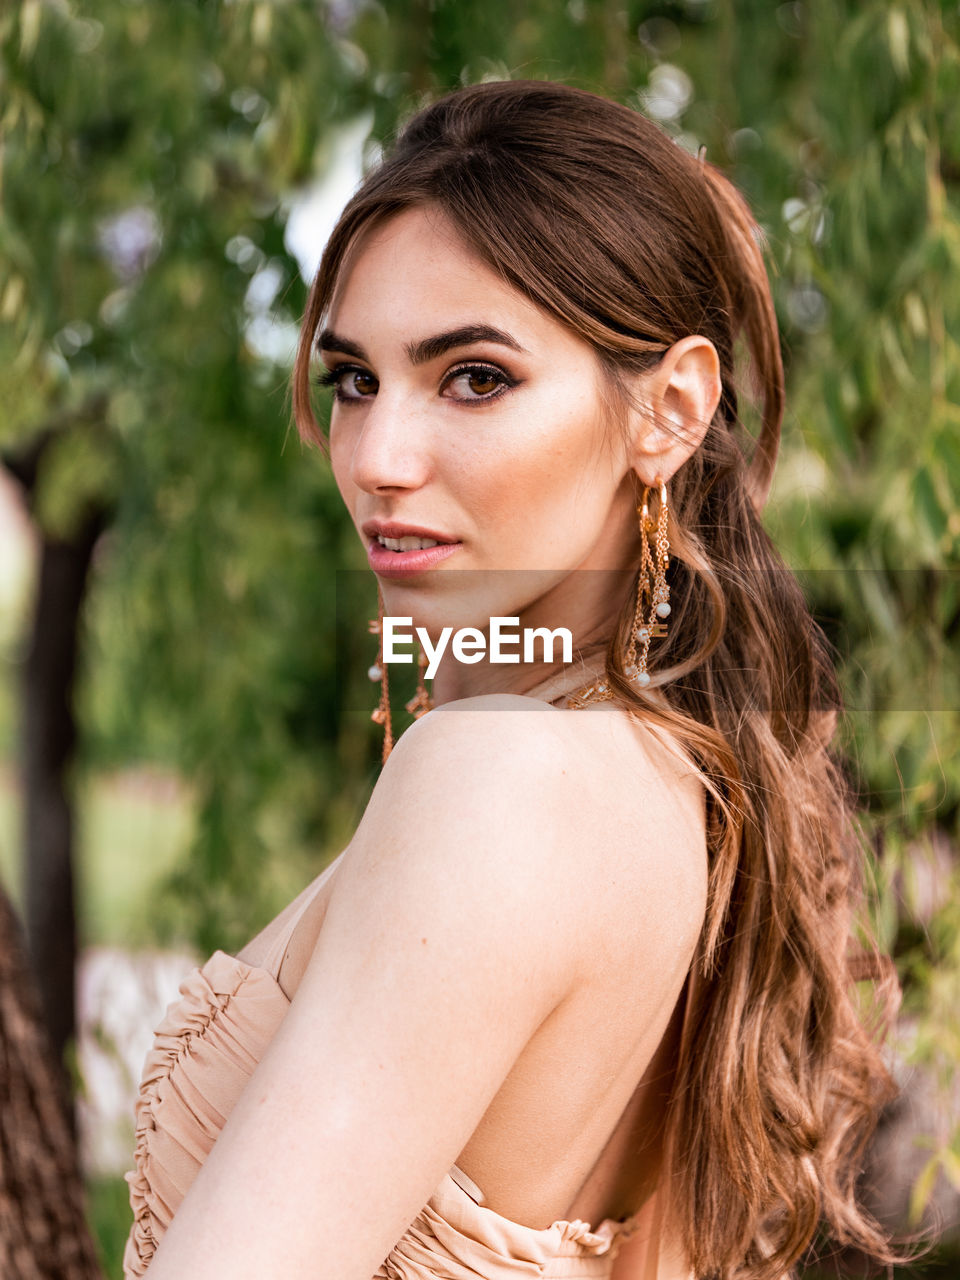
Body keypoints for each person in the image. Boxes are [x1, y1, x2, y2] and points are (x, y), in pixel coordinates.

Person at [122, 80, 899, 1280]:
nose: (378, 456)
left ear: (671, 410)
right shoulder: (679, 778)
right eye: (353, 380)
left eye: (474, 377)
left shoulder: (498, 776)